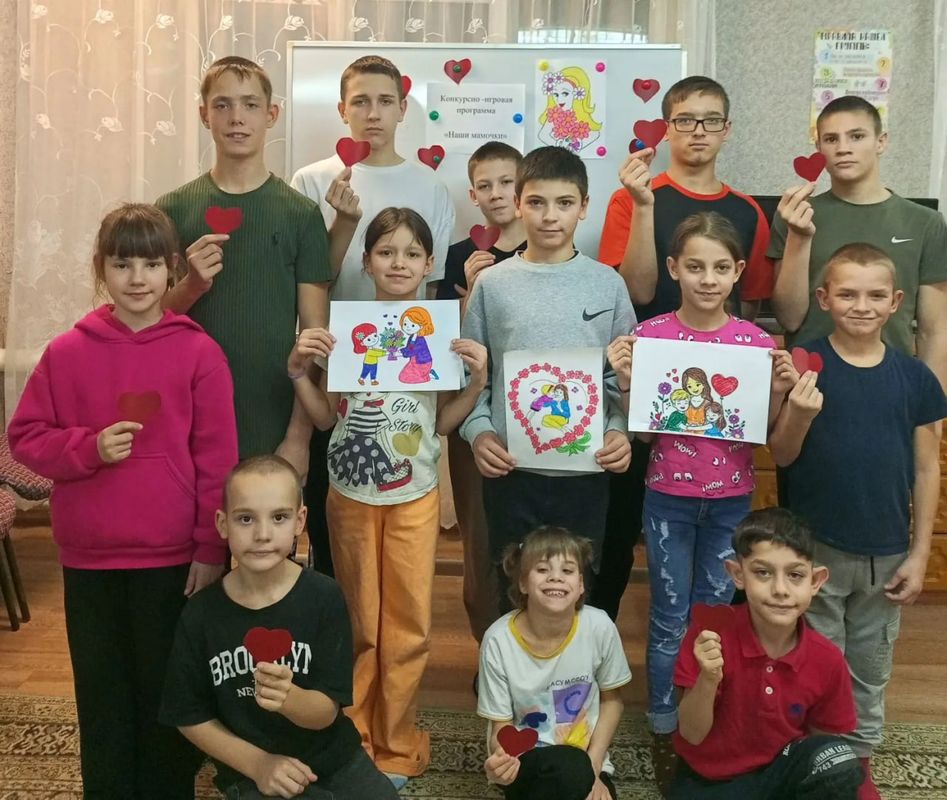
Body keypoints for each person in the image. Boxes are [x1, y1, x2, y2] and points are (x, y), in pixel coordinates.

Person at [8, 203, 238, 799]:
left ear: (173, 269)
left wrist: (210, 548)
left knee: (166, 696)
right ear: (101, 269)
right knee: (102, 698)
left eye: (151, 265)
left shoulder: (199, 353)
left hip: (173, 561)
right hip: (89, 562)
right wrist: (87, 448)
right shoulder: (66, 353)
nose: (137, 278)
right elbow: (25, 438)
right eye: (122, 264)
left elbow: (218, 461)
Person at [285, 207, 488, 787]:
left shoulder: (438, 334)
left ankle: (396, 741)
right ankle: (354, 738)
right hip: (350, 495)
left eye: (411, 254)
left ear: (429, 263)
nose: (399, 263)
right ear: (367, 261)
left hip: (415, 496)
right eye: (386, 252)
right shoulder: (345, 333)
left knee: (407, 624)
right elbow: (325, 417)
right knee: (358, 621)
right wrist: (298, 371)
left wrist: (477, 380)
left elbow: (442, 424)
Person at [606, 211, 795, 795]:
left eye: (719, 268)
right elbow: (643, 435)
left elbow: (762, 431)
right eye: (694, 266)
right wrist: (628, 381)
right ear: (673, 269)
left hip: (731, 504)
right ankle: (665, 728)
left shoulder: (755, 343)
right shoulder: (651, 336)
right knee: (669, 616)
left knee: (713, 616)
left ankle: (702, 722)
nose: (707, 279)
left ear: (738, 271)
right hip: (668, 500)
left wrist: (778, 390)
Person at [768, 243, 947, 800]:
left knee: (869, 667)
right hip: (816, 550)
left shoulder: (915, 378)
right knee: (813, 660)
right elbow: (781, 454)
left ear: (896, 301)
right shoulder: (804, 365)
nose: (861, 306)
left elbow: (926, 467)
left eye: (875, 295)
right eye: (847, 294)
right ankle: (814, 754)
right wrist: (799, 409)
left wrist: (920, 552)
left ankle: (858, 761)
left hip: (887, 552)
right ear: (824, 298)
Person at [592, 75, 774, 623]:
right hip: (644, 387)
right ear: (667, 127)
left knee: (720, 553)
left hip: (716, 410)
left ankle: (713, 656)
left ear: (727, 129)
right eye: (685, 119)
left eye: (710, 120)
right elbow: (637, 290)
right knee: (622, 528)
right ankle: (603, 646)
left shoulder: (747, 212)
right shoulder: (631, 199)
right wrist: (644, 204)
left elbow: (749, 315)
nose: (698, 130)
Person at [290, 54, 456, 574]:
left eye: (385, 101)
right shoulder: (312, 180)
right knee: (334, 499)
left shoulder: (429, 187)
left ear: (403, 108)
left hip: (404, 373)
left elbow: (429, 291)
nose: (373, 113)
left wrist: (431, 370)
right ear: (343, 109)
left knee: (399, 495)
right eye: (360, 101)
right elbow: (310, 277)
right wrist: (342, 221)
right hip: (336, 363)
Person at [159, 455, 400, 800]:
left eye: (279, 517)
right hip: (251, 770)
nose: (262, 534)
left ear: (300, 521)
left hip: (335, 759)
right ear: (223, 524)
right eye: (245, 519)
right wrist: (259, 764)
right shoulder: (201, 613)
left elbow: (326, 712)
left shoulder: (324, 597)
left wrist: (291, 699)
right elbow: (187, 715)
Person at [460, 145, 635, 615]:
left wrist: (619, 430)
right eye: (536, 202)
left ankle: (574, 666)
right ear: (519, 204)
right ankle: (509, 663)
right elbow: (472, 377)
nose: (550, 216)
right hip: (512, 472)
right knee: (513, 588)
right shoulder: (493, 284)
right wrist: (479, 433)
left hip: (586, 474)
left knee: (577, 590)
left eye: (564, 203)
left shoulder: (608, 284)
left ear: (584, 206)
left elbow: (620, 376)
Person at [155, 56, 331, 515]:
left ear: (271, 114)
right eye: (223, 105)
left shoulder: (300, 214)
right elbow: (151, 324)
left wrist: (298, 437)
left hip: (273, 411)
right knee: (195, 543)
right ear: (204, 114)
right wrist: (192, 284)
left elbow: (315, 337)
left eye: (250, 105)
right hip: (188, 412)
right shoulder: (172, 210)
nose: (237, 118)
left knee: (267, 545)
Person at [670, 508, 865, 799]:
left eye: (795, 575)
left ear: (815, 581)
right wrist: (708, 678)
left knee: (841, 763)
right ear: (738, 574)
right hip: (710, 781)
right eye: (763, 573)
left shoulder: (827, 658)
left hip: (779, 776)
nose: (780, 589)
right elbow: (691, 734)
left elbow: (823, 747)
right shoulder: (709, 636)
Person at [769, 95, 947, 388]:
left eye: (857, 136)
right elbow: (789, 319)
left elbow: (934, 332)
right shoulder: (796, 215)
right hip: (808, 384)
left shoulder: (925, 223)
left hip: (891, 385)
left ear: (881, 142)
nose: (843, 148)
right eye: (831, 139)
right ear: (819, 149)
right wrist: (799, 238)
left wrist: (934, 406)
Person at [437, 140, 526, 646]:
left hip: (532, 412)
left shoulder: (548, 249)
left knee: (531, 537)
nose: (497, 193)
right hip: (472, 409)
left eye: (507, 182)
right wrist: (472, 291)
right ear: (472, 195)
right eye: (485, 185)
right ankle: (489, 653)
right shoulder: (459, 257)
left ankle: (533, 648)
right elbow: (444, 344)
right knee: (479, 539)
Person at [479, 526, 631, 800]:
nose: (555, 578)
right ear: (522, 583)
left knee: (576, 771)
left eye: (567, 570)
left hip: (586, 760)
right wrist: (501, 761)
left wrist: (594, 767)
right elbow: (500, 726)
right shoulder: (498, 640)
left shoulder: (599, 627)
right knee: (571, 769)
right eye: (542, 569)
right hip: (527, 763)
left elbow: (613, 702)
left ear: (581, 585)